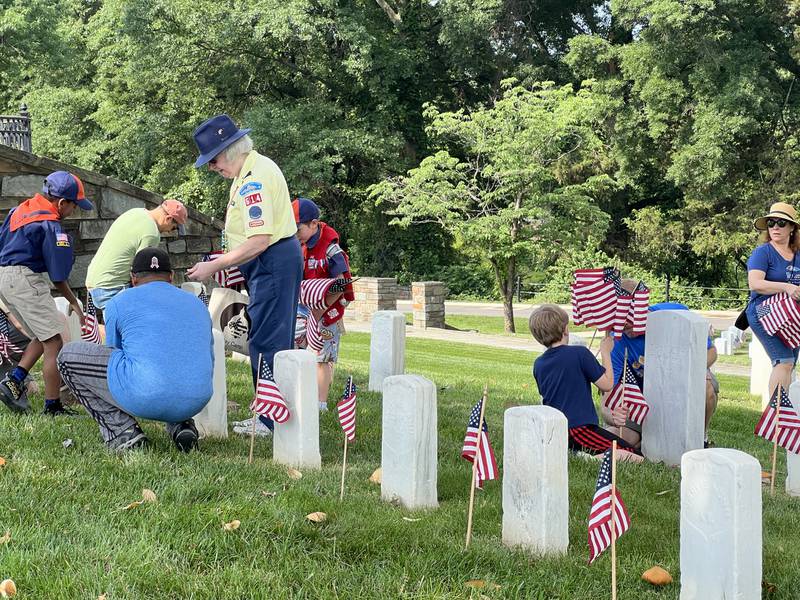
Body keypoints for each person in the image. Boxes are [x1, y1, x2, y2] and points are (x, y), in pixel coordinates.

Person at [186, 114, 302, 439]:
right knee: (267, 336)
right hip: (269, 262)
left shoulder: (253, 179)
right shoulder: (249, 169)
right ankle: (271, 411)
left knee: (267, 340)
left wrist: (216, 265)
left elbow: (259, 240)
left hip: (271, 261)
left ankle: (268, 419)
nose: (212, 168)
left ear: (232, 149)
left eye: (214, 159)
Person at [57, 248, 213, 452]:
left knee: (66, 357)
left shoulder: (118, 302)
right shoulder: (197, 304)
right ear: (171, 276)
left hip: (146, 394)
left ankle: (123, 432)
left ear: (133, 278)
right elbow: (207, 356)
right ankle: (182, 424)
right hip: (197, 397)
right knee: (174, 358)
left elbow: (114, 353)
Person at [0, 171, 91, 415]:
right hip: (26, 279)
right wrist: (75, 303)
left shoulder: (19, 211)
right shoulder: (50, 225)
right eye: (74, 205)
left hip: (5, 277)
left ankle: (13, 382)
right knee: (54, 341)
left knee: (42, 335)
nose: (74, 211)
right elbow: (58, 276)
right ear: (62, 203)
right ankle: (53, 406)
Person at [530, 304, 642, 461]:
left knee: (624, 447)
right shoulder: (579, 353)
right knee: (635, 455)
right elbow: (607, 384)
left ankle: (576, 453)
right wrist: (605, 352)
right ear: (566, 329)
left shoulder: (539, 364)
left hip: (556, 430)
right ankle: (588, 458)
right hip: (580, 429)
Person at [604, 296, 719, 448]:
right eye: (620, 324)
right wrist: (613, 417)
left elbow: (711, 351)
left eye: (629, 322)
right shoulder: (617, 342)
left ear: (641, 307)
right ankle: (645, 438)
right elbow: (606, 401)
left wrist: (694, 370)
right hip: (643, 399)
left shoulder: (675, 314)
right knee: (615, 439)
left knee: (706, 386)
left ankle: (700, 439)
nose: (625, 329)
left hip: (682, 387)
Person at [85, 199, 188, 309]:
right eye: (174, 228)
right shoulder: (151, 234)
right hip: (111, 287)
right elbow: (143, 275)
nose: (170, 231)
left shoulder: (135, 212)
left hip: (94, 280)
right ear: (168, 219)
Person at [746, 202, 800, 401]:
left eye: (781, 223)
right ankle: (776, 417)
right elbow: (755, 284)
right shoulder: (763, 252)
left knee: (789, 363)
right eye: (771, 223)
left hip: (792, 316)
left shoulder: (798, 255)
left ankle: (781, 416)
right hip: (763, 313)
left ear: (792, 228)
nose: (775, 227)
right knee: (783, 361)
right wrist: (787, 287)